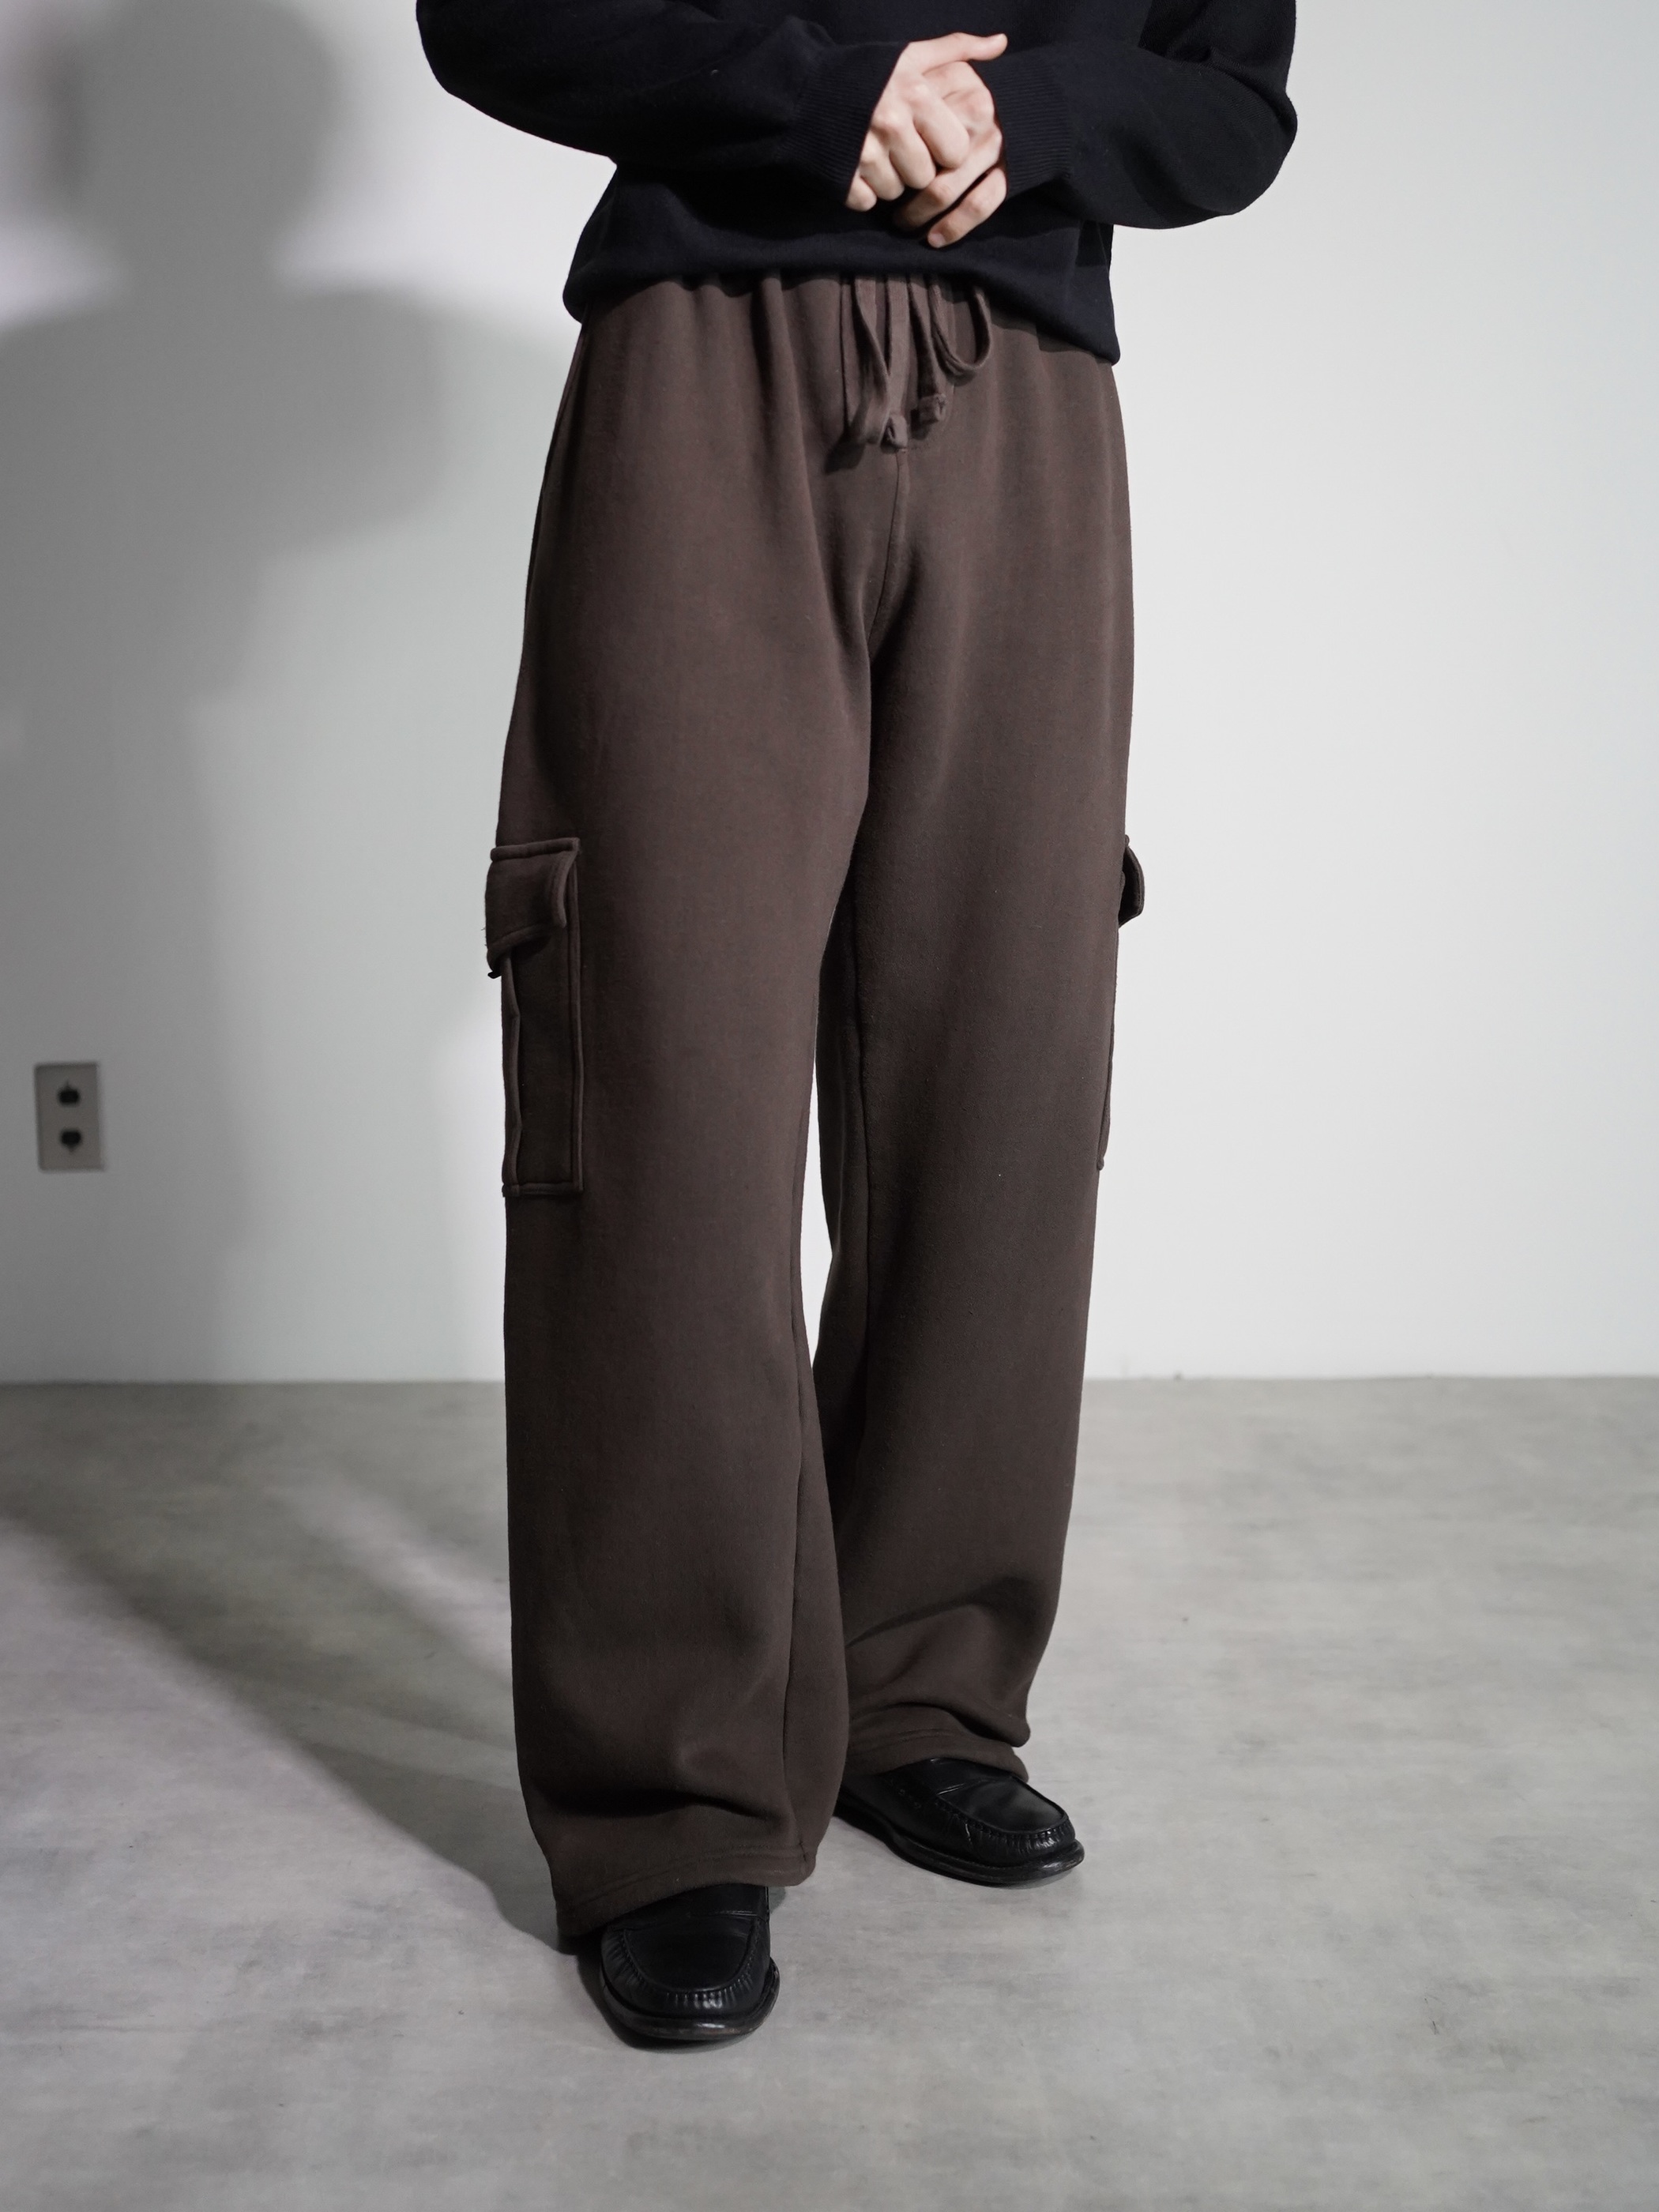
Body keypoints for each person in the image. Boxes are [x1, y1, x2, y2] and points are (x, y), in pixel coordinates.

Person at [419, 0, 1296, 2045]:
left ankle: (921, 1694)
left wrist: (1026, 108)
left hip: (1029, 399)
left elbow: (1234, 102)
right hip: (704, 359)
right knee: (665, 1076)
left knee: (998, 1074)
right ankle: (674, 1804)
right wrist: (840, 93)